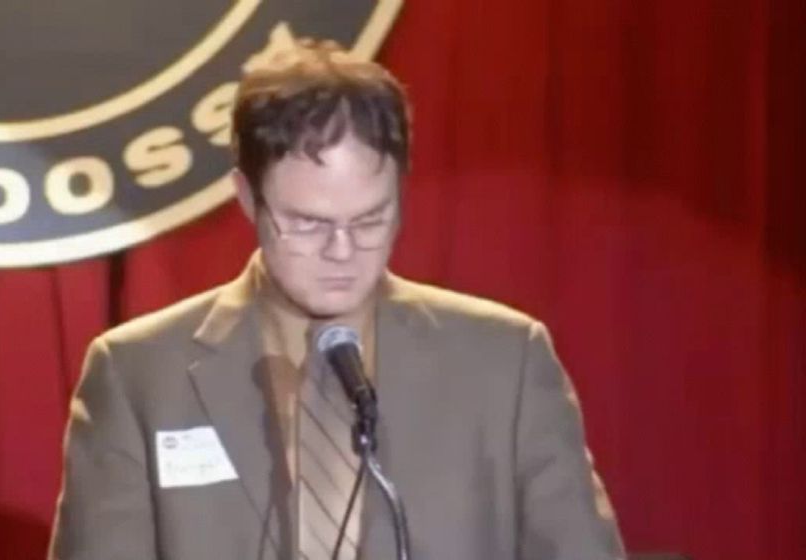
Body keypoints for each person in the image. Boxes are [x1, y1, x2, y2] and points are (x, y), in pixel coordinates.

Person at [48, 39, 625, 560]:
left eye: (371, 219)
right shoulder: (140, 377)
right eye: (307, 223)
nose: (342, 250)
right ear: (247, 197)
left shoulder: (505, 364)